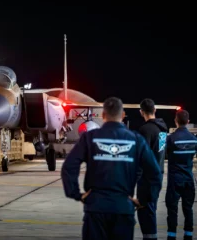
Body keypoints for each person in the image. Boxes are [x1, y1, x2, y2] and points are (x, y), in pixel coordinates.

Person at [61, 97, 162, 240]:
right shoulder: (136, 140)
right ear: (122, 115)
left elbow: (69, 167)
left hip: (96, 208)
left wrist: (76, 194)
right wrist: (144, 200)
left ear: (103, 116)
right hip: (123, 209)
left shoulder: (90, 138)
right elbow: (155, 173)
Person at [137, 98, 168, 240]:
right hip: (158, 175)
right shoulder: (163, 129)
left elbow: (141, 157)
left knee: (145, 212)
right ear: (155, 110)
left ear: (141, 112)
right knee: (151, 210)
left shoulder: (145, 130)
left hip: (147, 178)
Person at [165, 110, 197, 240]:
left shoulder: (170, 138)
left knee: (172, 210)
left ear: (175, 121)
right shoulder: (194, 139)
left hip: (174, 180)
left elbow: (162, 153)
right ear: (188, 122)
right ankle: (188, 235)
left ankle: (171, 235)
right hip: (189, 179)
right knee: (188, 209)